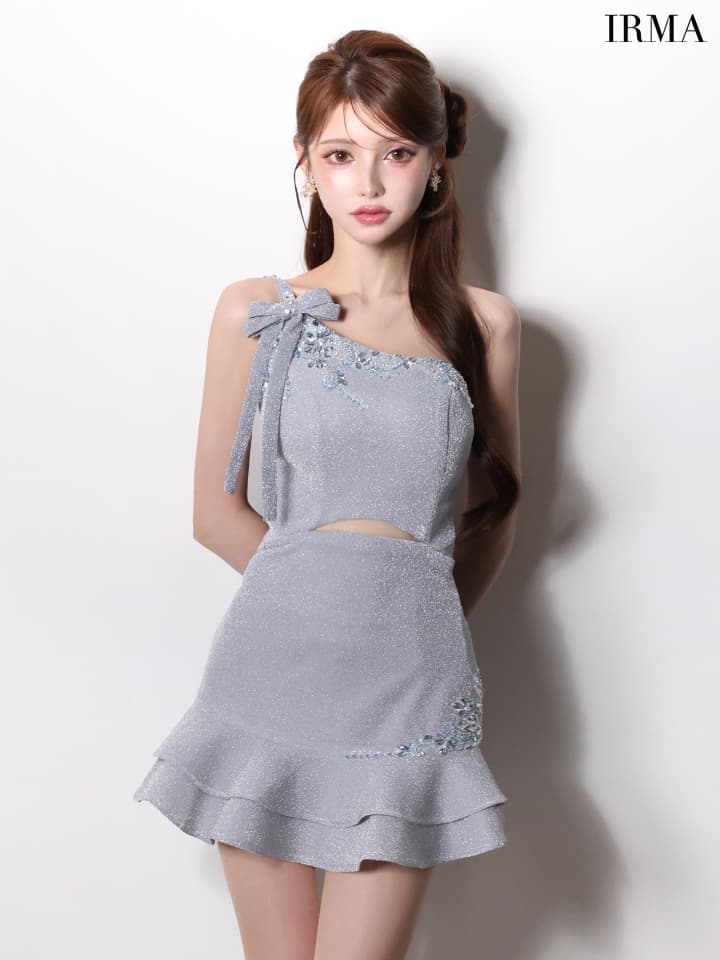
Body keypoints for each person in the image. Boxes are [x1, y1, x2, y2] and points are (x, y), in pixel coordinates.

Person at [133, 28, 521, 960]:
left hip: (414, 687)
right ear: (306, 162)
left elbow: (494, 514)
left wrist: (409, 616)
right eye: (342, 155)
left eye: (398, 153)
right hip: (271, 670)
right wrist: (331, 594)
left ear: (437, 163)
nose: (370, 182)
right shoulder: (258, 309)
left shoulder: (485, 323)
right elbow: (214, 514)